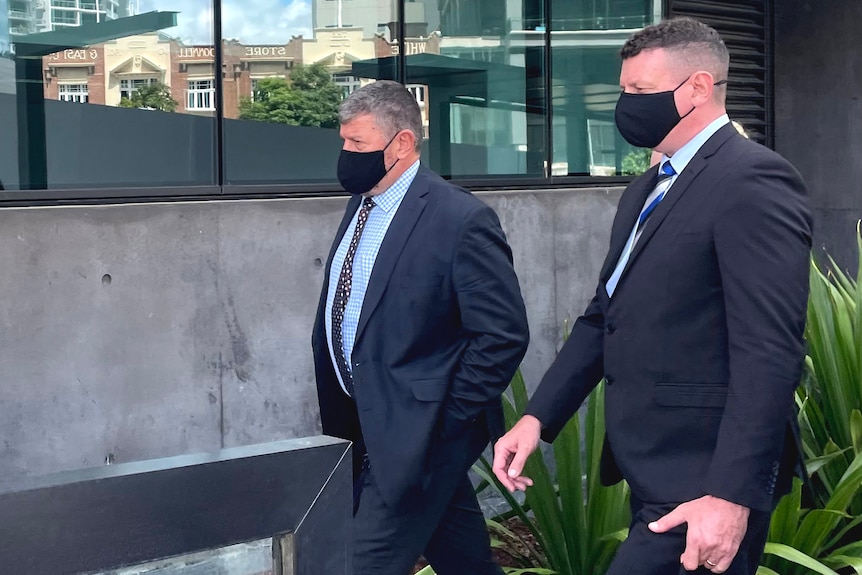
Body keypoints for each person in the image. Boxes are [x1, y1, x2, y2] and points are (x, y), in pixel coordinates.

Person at [493, 17, 811, 575]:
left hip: (705, 482)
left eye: (640, 91)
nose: (625, 104)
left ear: (697, 88)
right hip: (653, 471)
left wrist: (729, 497)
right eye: (624, 89)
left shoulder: (754, 181)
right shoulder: (646, 189)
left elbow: (770, 352)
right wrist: (537, 418)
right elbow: (603, 318)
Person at [311, 80, 529, 575]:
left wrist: (441, 420)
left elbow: (502, 334)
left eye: (358, 144)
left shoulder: (461, 218)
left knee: (357, 563)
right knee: (464, 556)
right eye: (344, 142)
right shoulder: (362, 204)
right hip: (366, 422)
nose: (346, 154)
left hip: (421, 430)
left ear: (402, 143)